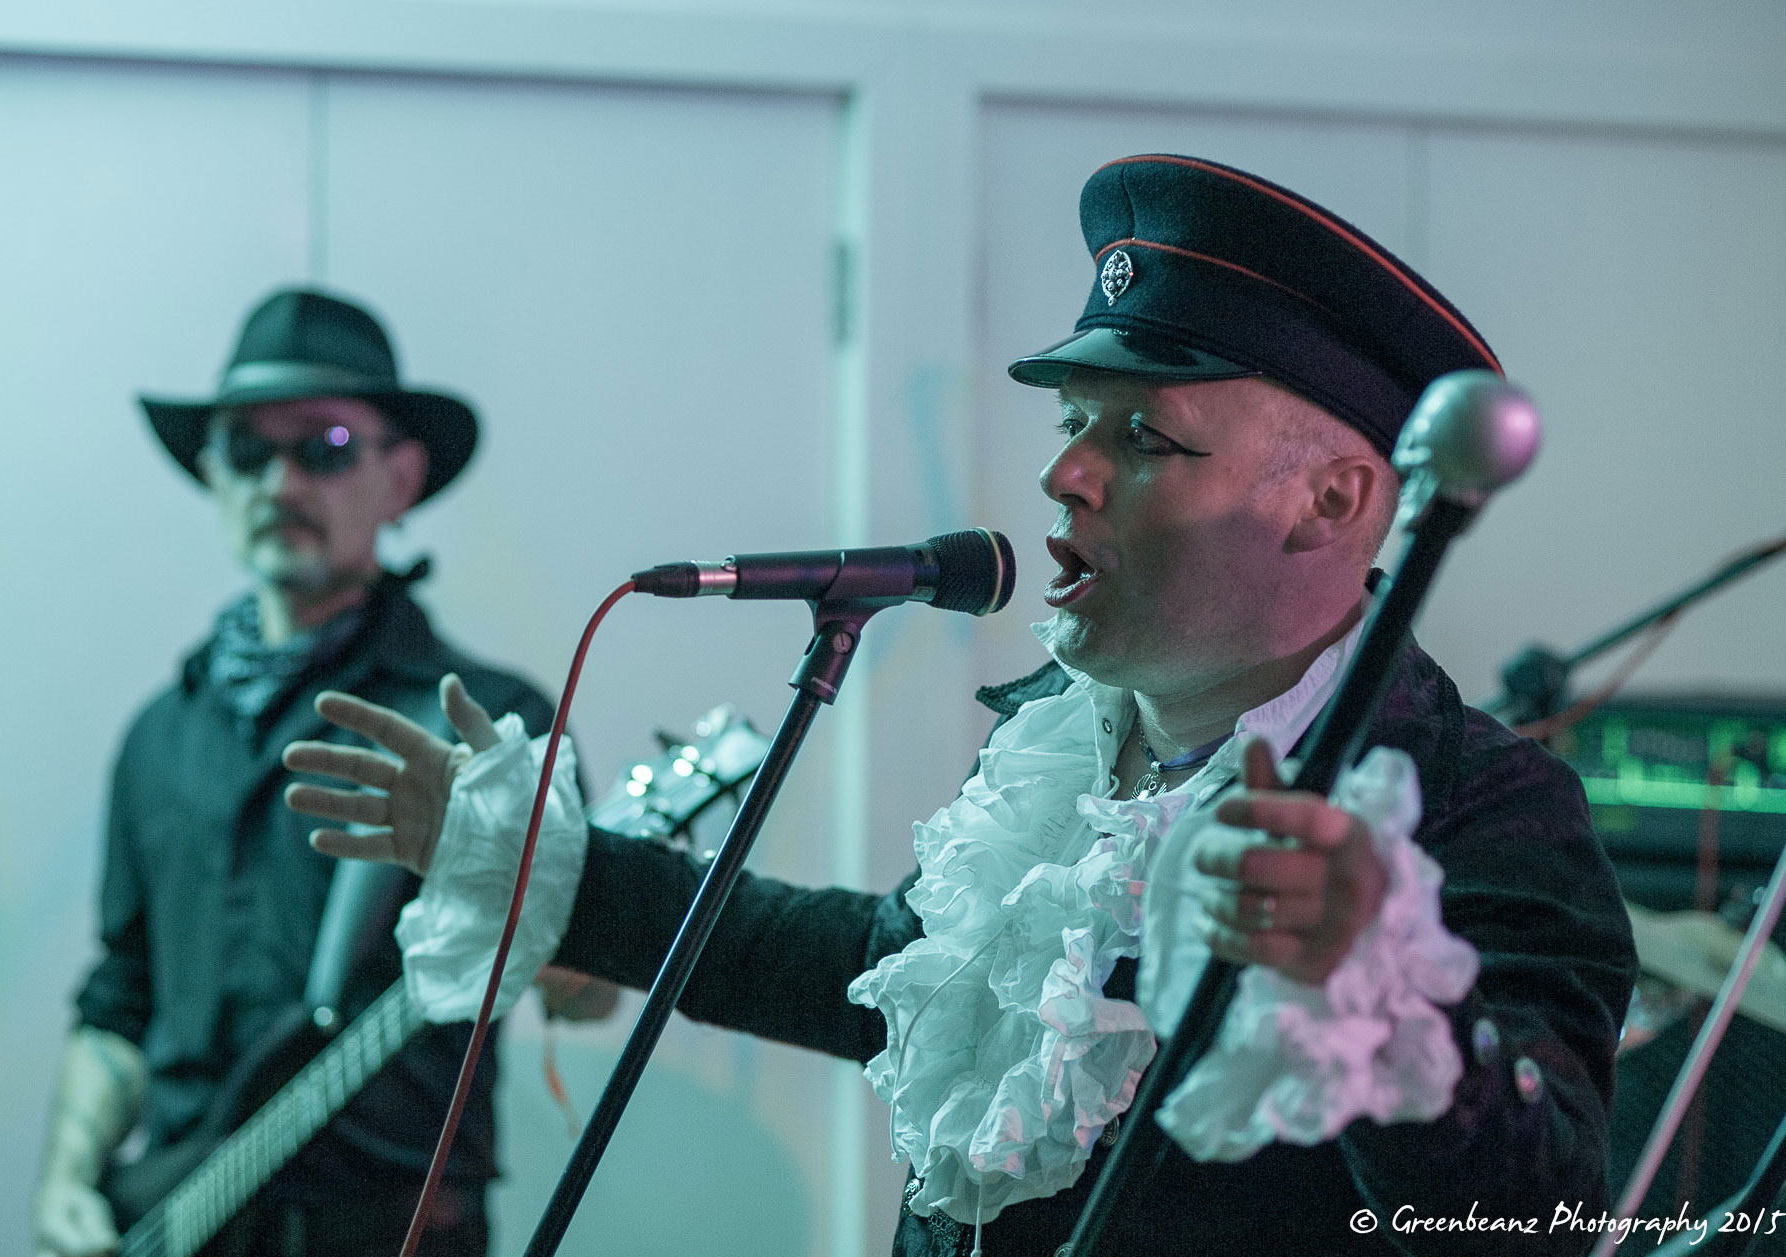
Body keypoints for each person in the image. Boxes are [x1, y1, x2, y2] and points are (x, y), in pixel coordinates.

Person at [284, 157, 1636, 1255]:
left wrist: (1370, 990)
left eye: (1140, 437)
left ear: (1329, 502)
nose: (1064, 477)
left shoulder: (1479, 808)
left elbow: (1545, 1211)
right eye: (1071, 423)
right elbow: (880, 973)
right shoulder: (1055, 733)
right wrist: (558, 875)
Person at [32, 288, 612, 1257]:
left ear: (401, 476)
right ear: (213, 475)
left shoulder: (486, 728)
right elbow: (120, 998)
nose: (281, 482)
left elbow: (587, 992)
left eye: (325, 447)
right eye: (248, 451)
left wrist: (547, 920)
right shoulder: (157, 737)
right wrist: (64, 1174)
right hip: (176, 1219)